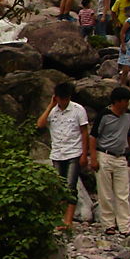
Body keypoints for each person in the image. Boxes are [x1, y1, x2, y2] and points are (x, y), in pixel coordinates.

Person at [36, 80, 89, 231]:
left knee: (71, 186)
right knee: (59, 187)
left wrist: (85, 154)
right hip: (57, 153)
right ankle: (59, 218)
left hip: (74, 152)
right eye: (61, 98)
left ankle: (68, 220)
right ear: (56, 97)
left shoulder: (78, 110)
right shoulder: (52, 111)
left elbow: (84, 132)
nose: (63, 101)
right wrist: (50, 106)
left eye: (66, 98)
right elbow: (39, 124)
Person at [89, 86, 130, 236]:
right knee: (105, 193)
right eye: (125, 101)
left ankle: (125, 226)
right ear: (117, 101)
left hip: (121, 156)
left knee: (122, 193)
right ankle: (108, 224)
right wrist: (93, 158)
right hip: (104, 155)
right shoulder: (104, 115)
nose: (127, 104)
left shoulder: (129, 115)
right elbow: (93, 136)